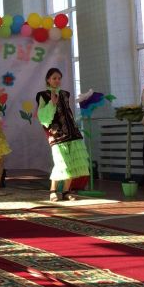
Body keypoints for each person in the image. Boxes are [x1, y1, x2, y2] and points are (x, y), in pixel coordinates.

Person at [36, 68, 89, 202]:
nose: (57, 80)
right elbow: (42, 116)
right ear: (48, 80)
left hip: (72, 133)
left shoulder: (65, 94)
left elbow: (68, 113)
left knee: (72, 163)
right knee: (61, 163)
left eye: (59, 78)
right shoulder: (43, 95)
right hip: (57, 135)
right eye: (54, 78)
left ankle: (66, 191)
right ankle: (53, 191)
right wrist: (52, 104)